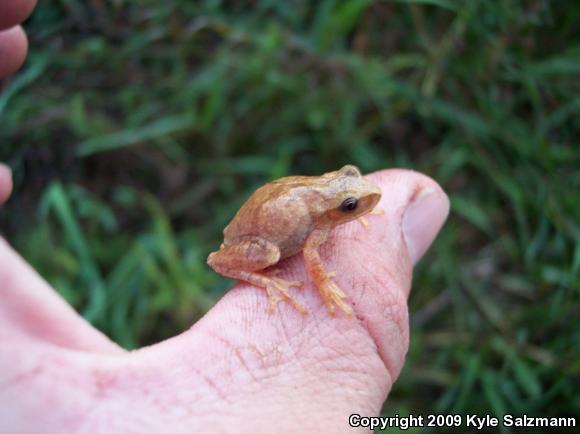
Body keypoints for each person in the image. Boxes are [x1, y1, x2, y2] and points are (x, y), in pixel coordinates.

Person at [0, 1, 450, 431]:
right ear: (335, 198)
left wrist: (347, 214)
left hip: (280, 208)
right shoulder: (317, 226)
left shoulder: (323, 210)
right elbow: (314, 263)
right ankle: (264, 277)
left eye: (351, 200)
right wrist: (316, 287)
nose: (360, 204)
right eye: (350, 206)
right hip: (257, 236)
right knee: (272, 252)